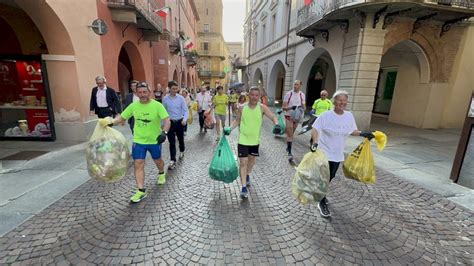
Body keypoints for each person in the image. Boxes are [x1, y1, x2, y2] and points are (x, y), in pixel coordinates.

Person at [99, 82, 170, 203]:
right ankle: (141, 191)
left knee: (157, 160)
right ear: (137, 93)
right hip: (138, 140)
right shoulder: (133, 106)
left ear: (149, 92)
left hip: (154, 140)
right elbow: (122, 117)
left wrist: (164, 133)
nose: (142, 95)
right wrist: (111, 123)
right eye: (140, 92)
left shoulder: (158, 105)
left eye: (144, 92)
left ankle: (161, 172)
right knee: (138, 163)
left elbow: (167, 120)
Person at [310, 90, 375, 218]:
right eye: (339, 100)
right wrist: (315, 142)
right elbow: (315, 128)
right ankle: (321, 201)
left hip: (337, 153)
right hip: (324, 151)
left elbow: (352, 131)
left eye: (344, 101)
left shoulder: (349, 116)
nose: (342, 103)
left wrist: (363, 133)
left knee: (331, 175)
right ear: (334, 101)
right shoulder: (325, 116)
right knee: (325, 177)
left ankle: (320, 192)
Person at [225, 86, 282, 199]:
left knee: (251, 160)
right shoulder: (242, 107)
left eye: (256, 95)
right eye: (252, 95)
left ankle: (247, 174)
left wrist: (276, 124)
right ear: (248, 95)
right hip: (243, 140)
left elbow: (272, 116)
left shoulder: (262, 108)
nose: (254, 97)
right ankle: (243, 188)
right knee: (243, 162)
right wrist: (230, 128)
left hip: (255, 141)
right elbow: (237, 121)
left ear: (259, 96)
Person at [162, 80, 188, 170]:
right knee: (171, 142)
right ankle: (172, 160)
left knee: (181, 139)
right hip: (170, 123)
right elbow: (163, 112)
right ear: (169, 89)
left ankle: (182, 150)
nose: (175, 90)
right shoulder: (165, 99)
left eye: (176, 89)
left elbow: (185, 110)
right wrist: (163, 124)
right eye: (173, 89)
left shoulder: (181, 98)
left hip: (180, 122)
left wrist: (184, 119)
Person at [282, 80, 306, 162]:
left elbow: (304, 106)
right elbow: (283, 107)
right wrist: (291, 108)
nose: (295, 86)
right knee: (290, 134)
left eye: (297, 84)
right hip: (288, 116)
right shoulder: (289, 94)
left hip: (297, 117)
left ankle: (288, 146)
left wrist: (302, 110)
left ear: (300, 86)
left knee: (291, 134)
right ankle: (289, 153)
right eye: (294, 84)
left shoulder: (302, 95)